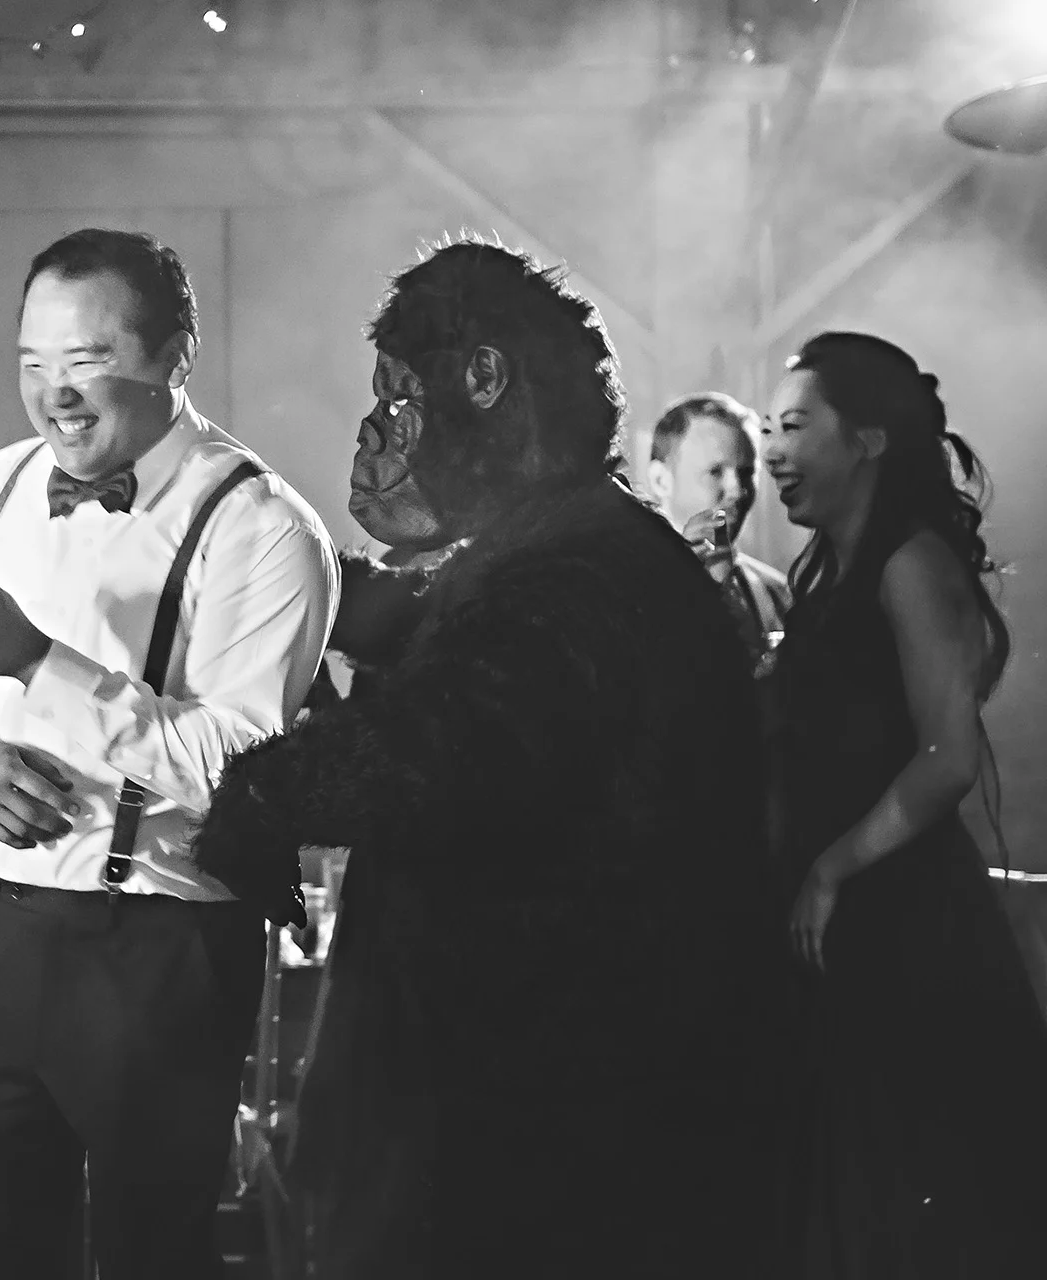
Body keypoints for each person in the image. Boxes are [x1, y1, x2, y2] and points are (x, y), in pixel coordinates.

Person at [193, 238, 779, 1277]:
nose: (384, 428)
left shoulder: (585, 569)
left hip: (555, 1120)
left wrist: (256, 793)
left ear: (485, 379)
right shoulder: (581, 543)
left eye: (401, 396)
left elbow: (442, 746)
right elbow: (457, 634)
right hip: (553, 1100)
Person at [0, 228, 338, 1280]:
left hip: (162, 945)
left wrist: (37, 662)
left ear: (176, 356)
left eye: (87, 360)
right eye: (34, 362)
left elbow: (236, 763)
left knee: (153, 1253)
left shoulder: (262, 526)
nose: (56, 394)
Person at [762, 332, 1047, 1275]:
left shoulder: (911, 564)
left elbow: (948, 757)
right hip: (848, 928)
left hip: (905, 925)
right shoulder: (829, 580)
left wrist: (832, 868)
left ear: (869, 439)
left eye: (794, 426)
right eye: (768, 431)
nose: (772, 452)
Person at [644, 391, 791, 662]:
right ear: (661, 480)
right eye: (715, 472)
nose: (738, 490)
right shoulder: (624, 591)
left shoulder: (780, 597)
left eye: (747, 473)